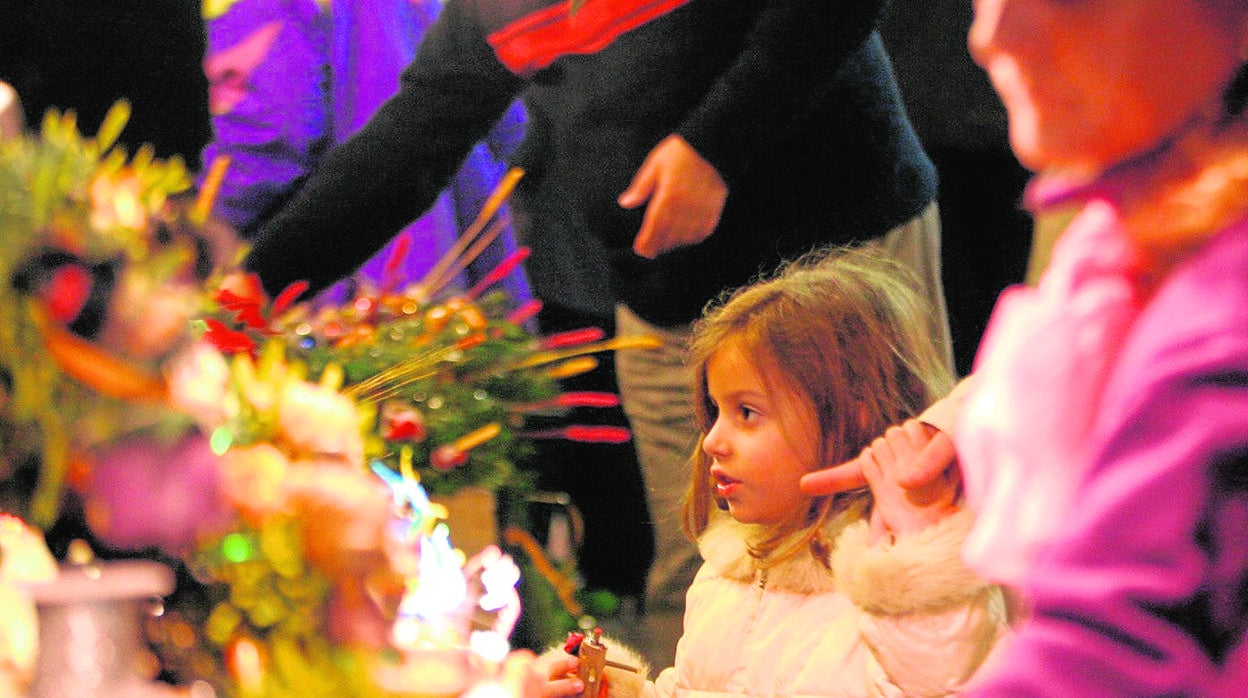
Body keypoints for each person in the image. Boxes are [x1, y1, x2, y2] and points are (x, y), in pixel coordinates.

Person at [236, 0, 951, 631]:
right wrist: (252, 290)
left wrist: (714, 147)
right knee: (706, 576)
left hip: (836, 270)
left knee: (894, 550)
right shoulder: (491, 10)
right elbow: (409, 143)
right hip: (672, 309)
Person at [804, 0, 1248, 693]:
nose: (990, 37)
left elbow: (1114, 654)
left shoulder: (1225, 309)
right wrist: (963, 419)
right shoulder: (1123, 233)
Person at [542, 248, 1004, 697]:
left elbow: (944, 684)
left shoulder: (913, 586)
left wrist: (913, 576)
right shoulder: (726, 575)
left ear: (853, 414)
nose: (712, 441)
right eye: (716, 411)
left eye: (747, 412)